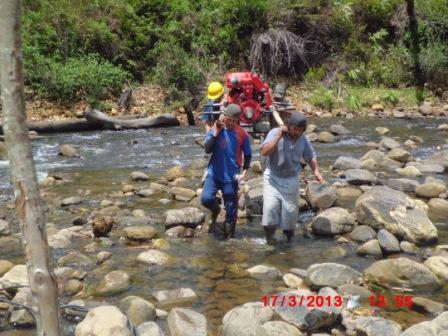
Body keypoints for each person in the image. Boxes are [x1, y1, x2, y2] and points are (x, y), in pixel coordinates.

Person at [260, 112, 323, 244]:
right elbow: (264, 152)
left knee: (290, 213)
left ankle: (289, 240)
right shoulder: (275, 132)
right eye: (295, 129)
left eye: (300, 130)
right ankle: (270, 240)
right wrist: (278, 136)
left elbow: (310, 156)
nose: (297, 132)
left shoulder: (303, 139)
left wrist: (316, 171)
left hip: (291, 180)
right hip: (273, 177)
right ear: (288, 126)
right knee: (270, 208)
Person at [201, 104, 252, 238]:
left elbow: (247, 154)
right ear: (224, 117)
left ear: (237, 120)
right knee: (206, 199)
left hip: (230, 176)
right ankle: (216, 210)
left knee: (231, 208)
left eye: (233, 121)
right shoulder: (216, 128)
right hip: (214, 173)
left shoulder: (242, 133)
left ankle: (229, 236)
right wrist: (216, 132)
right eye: (227, 119)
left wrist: (245, 171)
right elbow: (207, 149)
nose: (229, 123)